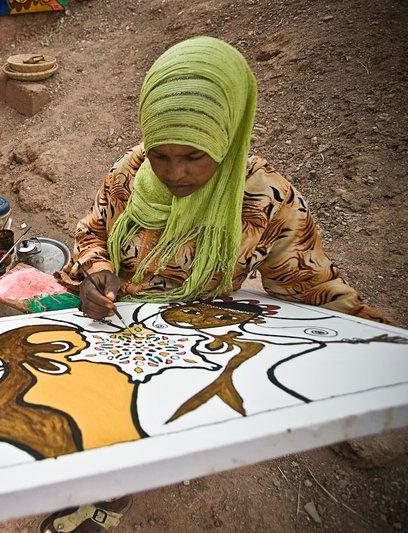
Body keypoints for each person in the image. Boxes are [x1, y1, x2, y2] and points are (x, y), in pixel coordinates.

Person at [46, 35, 389, 532]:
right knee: (84, 406)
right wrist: (96, 271)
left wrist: (386, 344)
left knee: (144, 415)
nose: (173, 173)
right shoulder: (131, 170)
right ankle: (100, 480)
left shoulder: (266, 199)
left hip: (192, 330)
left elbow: (312, 285)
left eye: (193, 155)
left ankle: (113, 488)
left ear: (227, 137)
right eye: (161, 154)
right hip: (111, 312)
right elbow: (91, 231)